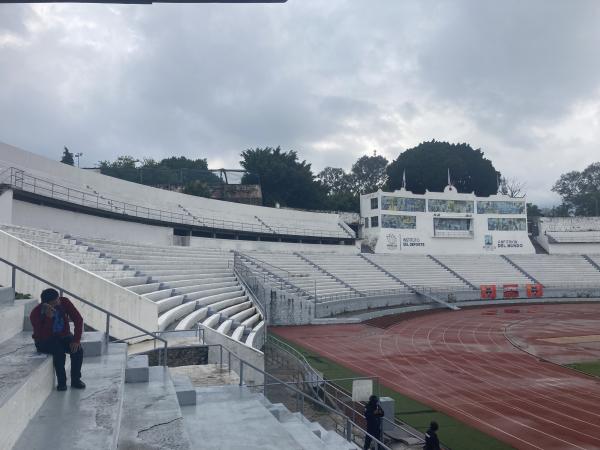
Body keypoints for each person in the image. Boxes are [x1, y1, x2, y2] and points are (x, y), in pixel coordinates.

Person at [30, 288, 86, 391]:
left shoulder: (64, 302)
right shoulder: (35, 313)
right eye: (55, 301)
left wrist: (76, 340)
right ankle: (62, 383)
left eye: (58, 299)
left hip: (63, 336)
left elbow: (78, 319)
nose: (58, 302)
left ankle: (75, 380)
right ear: (47, 303)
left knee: (77, 350)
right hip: (44, 340)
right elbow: (40, 335)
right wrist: (48, 319)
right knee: (59, 352)